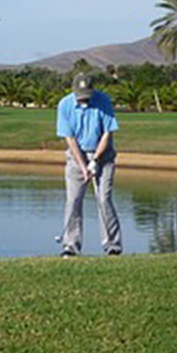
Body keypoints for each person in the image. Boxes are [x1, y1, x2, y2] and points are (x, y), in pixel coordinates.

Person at [55, 75, 121, 256]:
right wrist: (84, 166)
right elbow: (70, 139)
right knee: (73, 200)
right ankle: (71, 245)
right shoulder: (65, 105)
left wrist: (95, 161)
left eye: (87, 95)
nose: (84, 98)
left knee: (104, 199)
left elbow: (107, 134)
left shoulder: (103, 101)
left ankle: (112, 244)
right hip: (77, 156)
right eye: (80, 95)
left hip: (104, 155)